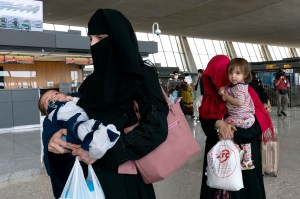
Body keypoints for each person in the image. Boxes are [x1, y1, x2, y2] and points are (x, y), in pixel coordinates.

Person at [42, 9, 169, 199]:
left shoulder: (140, 77)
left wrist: (106, 152)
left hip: (126, 180)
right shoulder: (90, 84)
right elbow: (79, 122)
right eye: (90, 39)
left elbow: (155, 127)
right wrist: (55, 141)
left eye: (100, 37)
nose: (93, 45)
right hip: (90, 179)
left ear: (118, 38)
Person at [199, 55, 274, 199]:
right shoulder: (210, 98)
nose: (215, 81)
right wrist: (218, 124)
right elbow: (205, 124)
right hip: (220, 156)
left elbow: (258, 126)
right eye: (211, 78)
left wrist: (234, 133)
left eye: (217, 76)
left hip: (246, 158)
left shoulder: (246, 92)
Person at [38, 90, 120, 159]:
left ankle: (108, 135)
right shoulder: (51, 116)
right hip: (77, 126)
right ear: (46, 113)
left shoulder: (75, 98)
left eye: (56, 93)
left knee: (95, 126)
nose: (54, 97)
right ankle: (98, 145)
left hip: (89, 121)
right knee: (85, 132)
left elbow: (85, 101)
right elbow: (49, 130)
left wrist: (73, 99)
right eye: (49, 100)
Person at [218, 58, 255, 170]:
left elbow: (239, 102)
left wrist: (226, 97)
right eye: (230, 73)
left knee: (225, 125)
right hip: (247, 118)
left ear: (245, 75)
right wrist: (223, 88)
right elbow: (228, 88)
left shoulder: (239, 88)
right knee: (245, 140)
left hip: (243, 118)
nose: (233, 76)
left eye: (237, 73)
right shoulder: (236, 85)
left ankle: (236, 150)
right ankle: (247, 161)